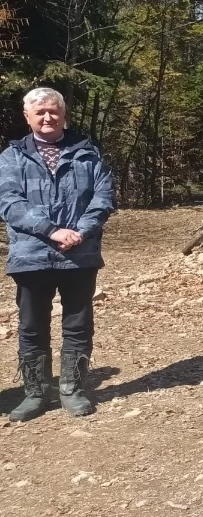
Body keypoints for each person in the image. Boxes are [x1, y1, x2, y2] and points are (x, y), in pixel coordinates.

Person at [1, 87, 115, 420]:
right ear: (27, 117)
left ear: (64, 114)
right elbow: (9, 202)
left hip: (79, 256)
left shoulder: (88, 153)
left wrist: (80, 231)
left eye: (54, 111)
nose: (48, 117)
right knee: (31, 327)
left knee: (78, 325)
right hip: (31, 256)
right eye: (40, 112)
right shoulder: (11, 158)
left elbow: (103, 198)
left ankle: (72, 390)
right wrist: (51, 230)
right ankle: (36, 393)